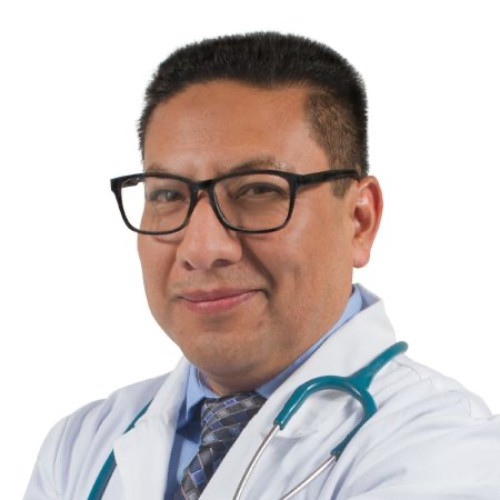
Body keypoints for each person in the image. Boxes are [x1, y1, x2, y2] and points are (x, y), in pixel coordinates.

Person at [25, 32, 500, 500]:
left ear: (359, 220)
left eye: (258, 190)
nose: (202, 248)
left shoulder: (446, 451)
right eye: (168, 194)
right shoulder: (80, 448)